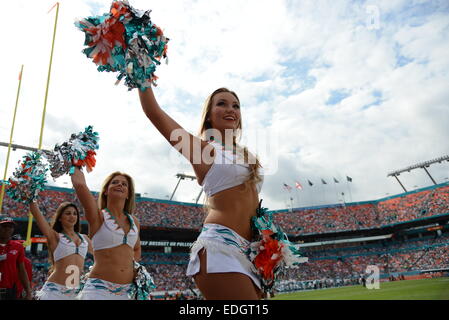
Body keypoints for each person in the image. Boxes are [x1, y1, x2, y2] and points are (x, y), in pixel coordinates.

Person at [138, 87, 265, 299]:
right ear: (208, 115)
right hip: (221, 247)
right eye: (221, 104)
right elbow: (155, 113)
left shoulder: (248, 156)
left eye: (236, 105)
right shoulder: (204, 149)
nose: (230, 109)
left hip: (250, 252)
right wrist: (142, 77)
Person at [71, 168, 145, 300]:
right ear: (105, 191)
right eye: (114, 182)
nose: (120, 185)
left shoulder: (134, 222)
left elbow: (137, 248)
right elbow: (80, 185)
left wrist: (131, 265)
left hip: (127, 292)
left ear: (128, 194)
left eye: (124, 184)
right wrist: (76, 163)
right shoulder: (98, 216)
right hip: (99, 290)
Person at [29, 201, 93, 300]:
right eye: (68, 213)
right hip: (55, 291)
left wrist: (91, 272)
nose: (72, 216)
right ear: (60, 218)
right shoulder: (55, 237)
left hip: (75, 294)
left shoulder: (85, 239)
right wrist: (31, 198)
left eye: (74, 213)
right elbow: (37, 214)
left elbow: (102, 256)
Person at [0, 217, 32, 300]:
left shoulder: (18, 247)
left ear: (13, 229)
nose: (7, 229)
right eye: (4, 226)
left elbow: (22, 270)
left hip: (10, 291)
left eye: (10, 227)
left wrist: (28, 291)